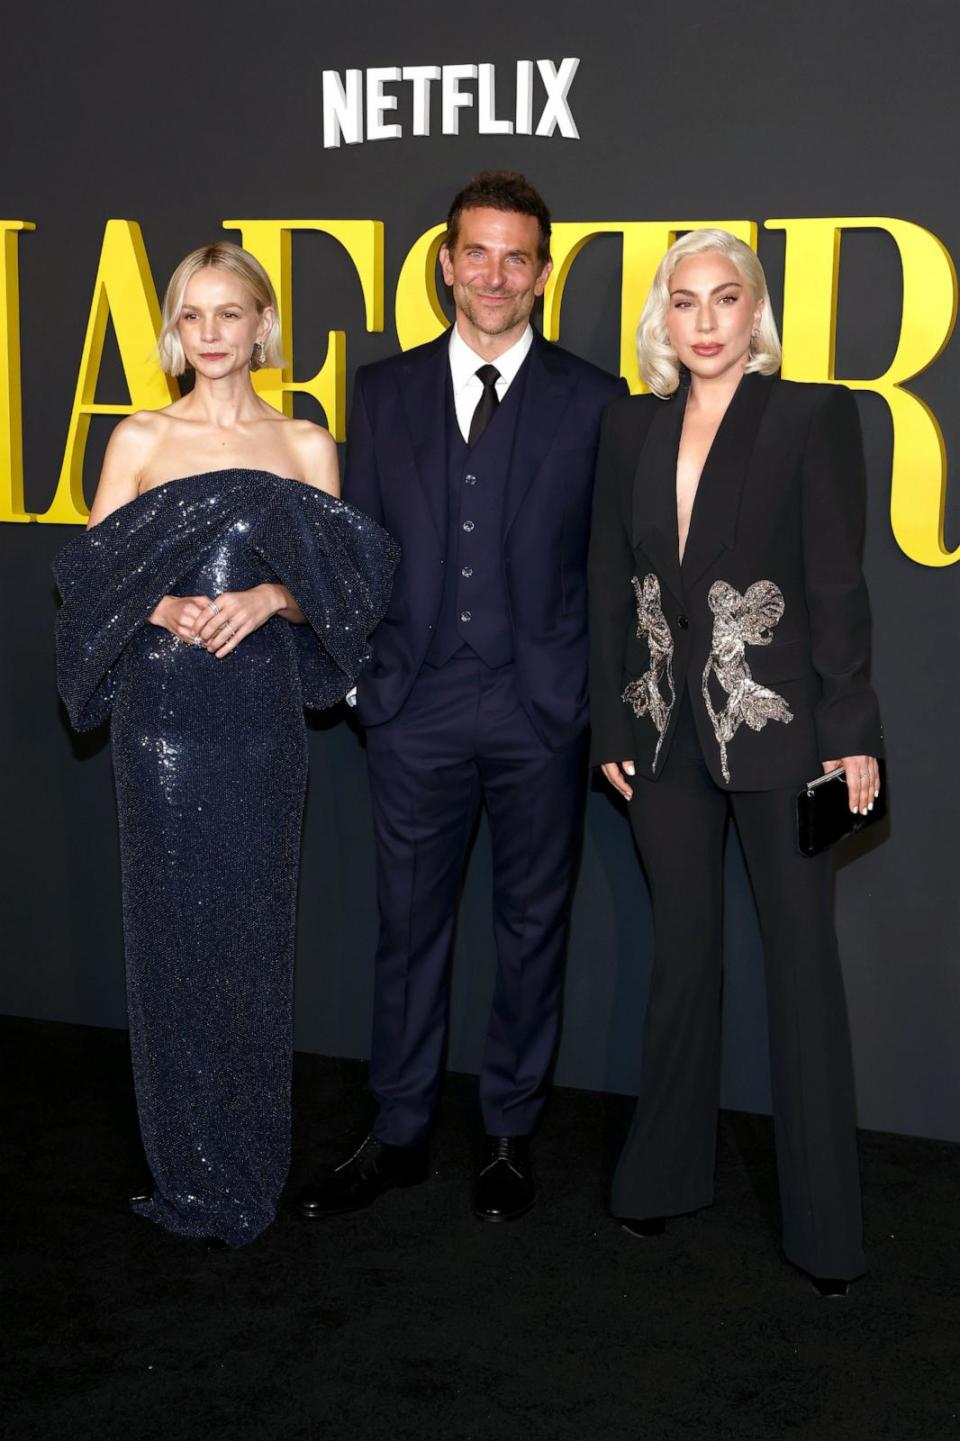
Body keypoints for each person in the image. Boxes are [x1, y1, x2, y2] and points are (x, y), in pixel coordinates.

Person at [297, 171, 627, 1224]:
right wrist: (363, 683)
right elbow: (355, 550)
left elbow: (614, 570)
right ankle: (398, 1133)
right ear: (445, 263)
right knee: (407, 929)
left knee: (533, 929)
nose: (493, 273)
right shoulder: (383, 391)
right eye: (475, 252)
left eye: (515, 256)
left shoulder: (594, 398)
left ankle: (507, 1134)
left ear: (542, 272)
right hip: (415, 706)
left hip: (539, 711)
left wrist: (590, 701)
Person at [54, 242, 398, 1247]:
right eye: (192, 317)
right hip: (159, 726)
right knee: (169, 942)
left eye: (228, 314)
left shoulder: (303, 444)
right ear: (176, 330)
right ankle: (183, 1164)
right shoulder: (137, 437)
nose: (210, 334)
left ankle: (247, 1163)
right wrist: (161, 605)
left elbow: (345, 591)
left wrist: (270, 597)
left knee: (250, 945)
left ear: (262, 325)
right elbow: (89, 586)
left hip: (257, 726)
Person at [588, 228, 883, 1296]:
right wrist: (611, 724)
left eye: (725, 299)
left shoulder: (809, 414)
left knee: (801, 968)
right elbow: (605, 582)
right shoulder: (630, 426)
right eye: (685, 301)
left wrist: (850, 728)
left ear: (755, 312)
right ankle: (663, 1179)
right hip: (658, 731)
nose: (704, 322)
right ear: (660, 317)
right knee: (682, 957)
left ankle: (824, 1231)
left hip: (782, 730)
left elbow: (836, 583)